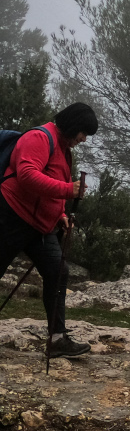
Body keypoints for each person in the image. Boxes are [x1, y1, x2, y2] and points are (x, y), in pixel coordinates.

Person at [0, 103, 97, 358]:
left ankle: (57, 339)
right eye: (83, 133)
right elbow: (27, 176)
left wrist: (62, 215)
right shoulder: (39, 138)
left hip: (41, 227)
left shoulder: (63, 149)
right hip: (10, 216)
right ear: (73, 125)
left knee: (58, 272)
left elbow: (53, 185)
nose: (83, 139)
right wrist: (70, 191)